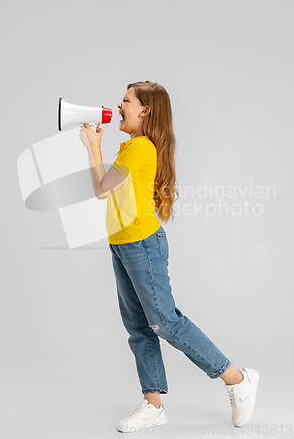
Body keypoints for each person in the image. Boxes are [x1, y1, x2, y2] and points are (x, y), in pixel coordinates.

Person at [79, 81, 259, 433]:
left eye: (127, 100)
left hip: (142, 245)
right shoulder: (131, 146)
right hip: (122, 244)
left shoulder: (141, 148)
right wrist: (98, 147)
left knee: (165, 322)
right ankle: (153, 405)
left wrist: (93, 146)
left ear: (145, 110)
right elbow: (106, 190)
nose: (119, 104)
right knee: (138, 328)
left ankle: (236, 378)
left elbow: (101, 190)